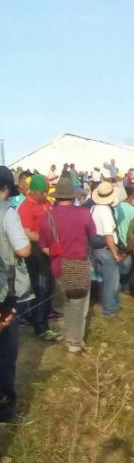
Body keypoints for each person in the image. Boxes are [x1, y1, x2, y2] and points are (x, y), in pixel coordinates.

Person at [37, 177, 95, 354]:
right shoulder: (84, 213)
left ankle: (69, 335)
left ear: (56, 197)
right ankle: (75, 343)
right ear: (72, 196)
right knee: (78, 305)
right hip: (78, 265)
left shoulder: (46, 217)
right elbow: (93, 235)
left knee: (68, 302)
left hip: (58, 266)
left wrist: (59, 255)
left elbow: (44, 247)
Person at [0, 167, 32, 421]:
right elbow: (22, 250)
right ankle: (5, 407)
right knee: (6, 352)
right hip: (4, 292)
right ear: (7, 189)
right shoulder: (8, 212)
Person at [17, 173, 60, 340]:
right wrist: (44, 239)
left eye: (46, 191)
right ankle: (40, 327)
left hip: (50, 250)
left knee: (49, 286)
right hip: (36, 253)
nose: (45, 194)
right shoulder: (25, 207)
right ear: (33, 191)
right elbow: (26, 233)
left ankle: (44, 318)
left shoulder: (47, 203)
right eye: (43, 192)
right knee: (41, 288)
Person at [90, 181, 124, 318]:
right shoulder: (105, 211)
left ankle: (104, 303)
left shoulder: (93, 208)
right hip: (106, 248)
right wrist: (115, 253)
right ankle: (110, 310)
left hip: (95, 247)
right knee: (111, 281)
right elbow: (108, 234)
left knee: (101, 279)